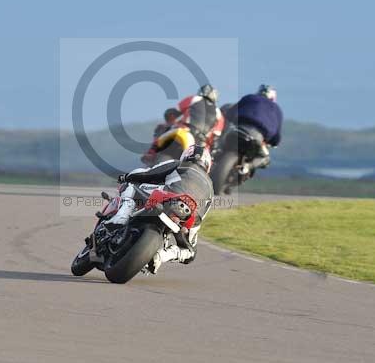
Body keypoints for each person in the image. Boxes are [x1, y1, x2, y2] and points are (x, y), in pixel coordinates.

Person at [106, 144, 214, 273]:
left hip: (169, 196)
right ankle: (161, 256)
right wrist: (189, 230)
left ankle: (120, 219)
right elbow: (202, 216)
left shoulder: (178, 164)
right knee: (190, 252)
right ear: (208, 165)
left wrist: (126, 177)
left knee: (131, 187)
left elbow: (149, 173)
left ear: (186, 155)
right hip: (190, 215)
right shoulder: (211, 188)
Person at [141, 84, 223, 164]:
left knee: (161, 128)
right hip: (201, 143)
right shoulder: (219, 114)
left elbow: (174, 112)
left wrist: (170, 121)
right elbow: (215, 137)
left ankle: (151, 153)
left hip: (185, 131)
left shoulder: (194, 99)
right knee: (206, 162)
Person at [223, 84, 283, 173]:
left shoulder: (249, 98)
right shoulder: (277, 109)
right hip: (257, 137)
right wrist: (274, 142)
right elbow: (276, 136)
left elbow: (231, 112)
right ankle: (247, 167)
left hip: (238, 130)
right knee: (264, 158)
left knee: (221, 147)